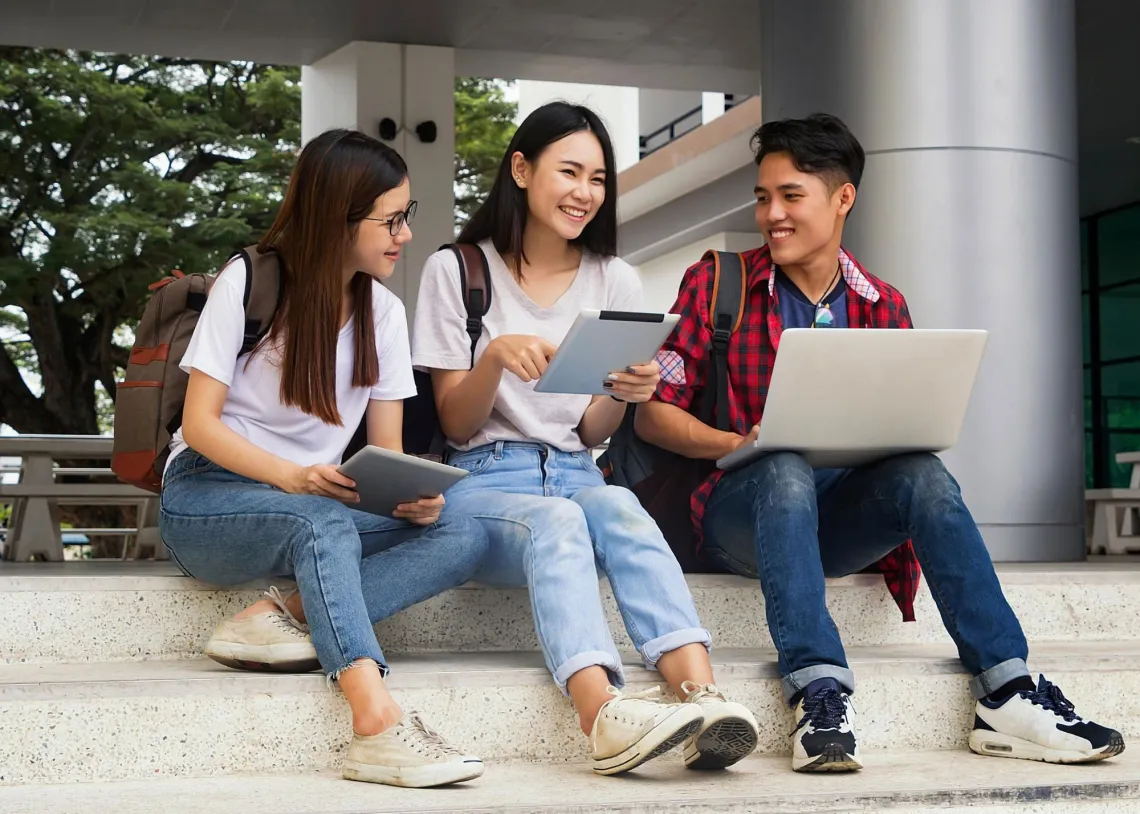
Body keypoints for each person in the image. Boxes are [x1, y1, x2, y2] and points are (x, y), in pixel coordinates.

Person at [635, 113, 1125, 774]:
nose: (771, 214)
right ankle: (818, 690)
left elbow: (905, 438)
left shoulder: (883, 306)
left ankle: (1005, 692)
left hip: (837, 522)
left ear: (843, 199)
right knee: (780, 465)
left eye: (790, 197)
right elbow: (652, 417)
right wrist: (741, 440)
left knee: (922, 473)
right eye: (763, 197)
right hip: (737, 514)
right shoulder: (717, 284)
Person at [411, 102, 759, 776]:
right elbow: (455, 424)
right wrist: (493, 359)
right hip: (484, 481)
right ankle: (601, 714)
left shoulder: (614, 279)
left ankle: (700, 694)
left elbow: (592, 430)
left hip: (575, 470)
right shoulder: (456, 272)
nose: (585, 193)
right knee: (560, 524)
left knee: (623, 508)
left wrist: (622, 395)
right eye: (569, 171)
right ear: (521, 168)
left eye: (598, 179)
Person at [158, 129, 490, 789]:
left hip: (315, 499)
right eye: (390, 220)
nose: (404, 234)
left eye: (407, 216)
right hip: (207, 497)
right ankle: (375, 724)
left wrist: (410, 497)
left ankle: (280, 617)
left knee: (463, 529)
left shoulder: (385, 314)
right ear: (337, 219)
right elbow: (198, 426)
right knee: (322, 523)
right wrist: (294, 478)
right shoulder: (249, 280)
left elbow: (388, 454)